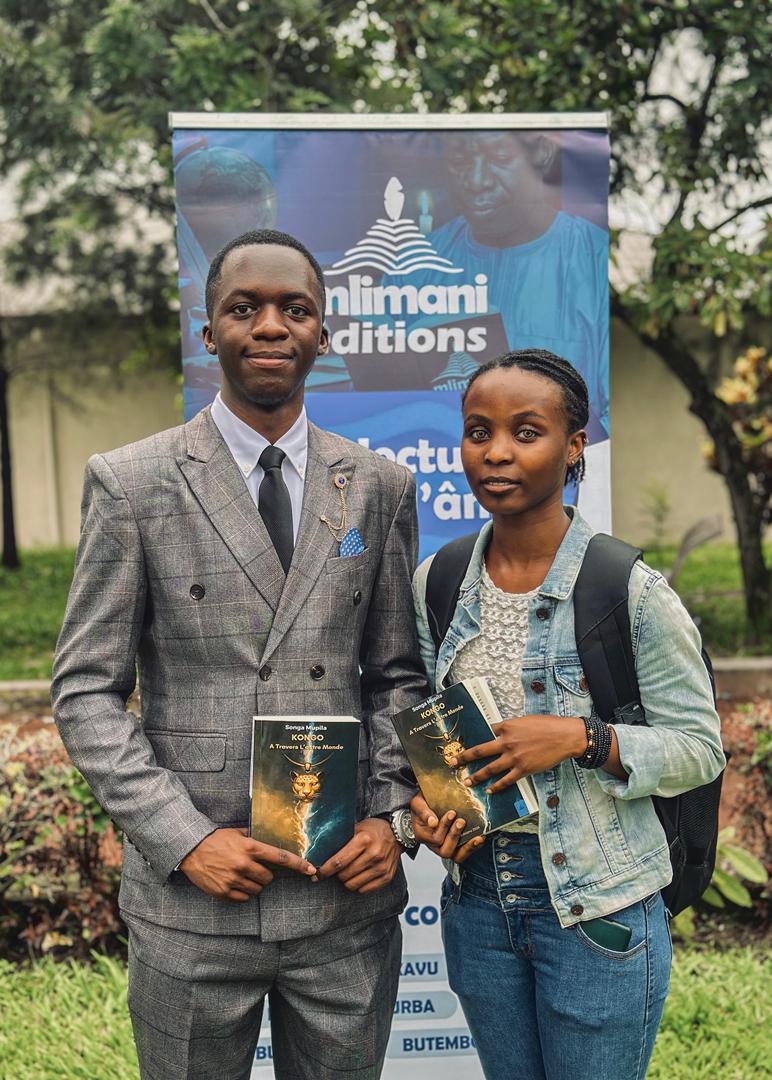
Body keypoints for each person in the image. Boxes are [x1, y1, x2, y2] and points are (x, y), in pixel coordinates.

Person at [52, 228, 427, 1080]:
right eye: (243, 307)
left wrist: (390, 817)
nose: (269, 326)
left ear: (324, 335)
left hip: (343, 897)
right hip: (195, 901)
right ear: (207, 330)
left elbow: (398, 675)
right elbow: (85, 691)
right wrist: (184, 840)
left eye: (295, 309)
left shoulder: (378, 485)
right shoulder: (134, 483)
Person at [409, 349, 724, 1080]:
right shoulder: (440, 581)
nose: (496, 452)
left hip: (597, 907)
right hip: (478, 903)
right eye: (478, 431)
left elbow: (700, 749)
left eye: (526, 432)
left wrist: (584, 737)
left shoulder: (628, 590)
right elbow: (433, 730)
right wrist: (430, 807)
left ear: (574, 445)